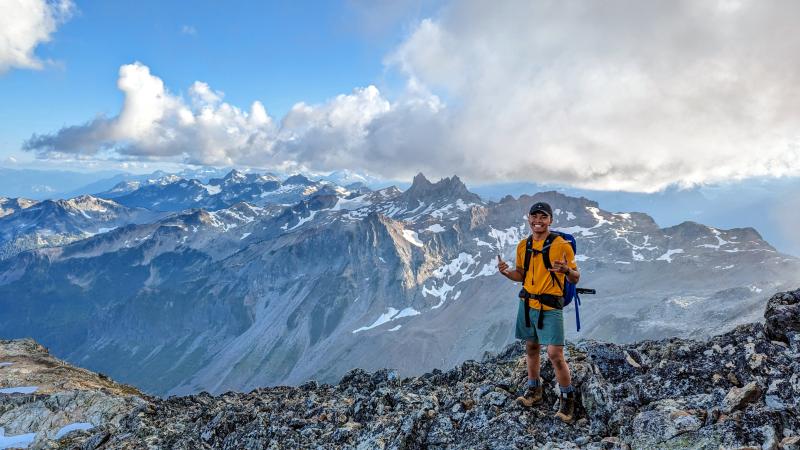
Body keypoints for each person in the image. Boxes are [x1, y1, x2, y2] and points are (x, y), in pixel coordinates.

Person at [497, 201, 580, 423]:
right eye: (534, 217)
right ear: (529, 219)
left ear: (550, 220)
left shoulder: (562, 245)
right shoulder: (523, 246)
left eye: (543, 217)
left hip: (550, 306)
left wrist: (567, 270)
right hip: (528, 304)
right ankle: (534, 389)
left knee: (555, 354)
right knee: (531, 347)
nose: (538, 221)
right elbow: (522, 275)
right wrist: (507, 273)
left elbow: (575, 278)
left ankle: (567, 398)